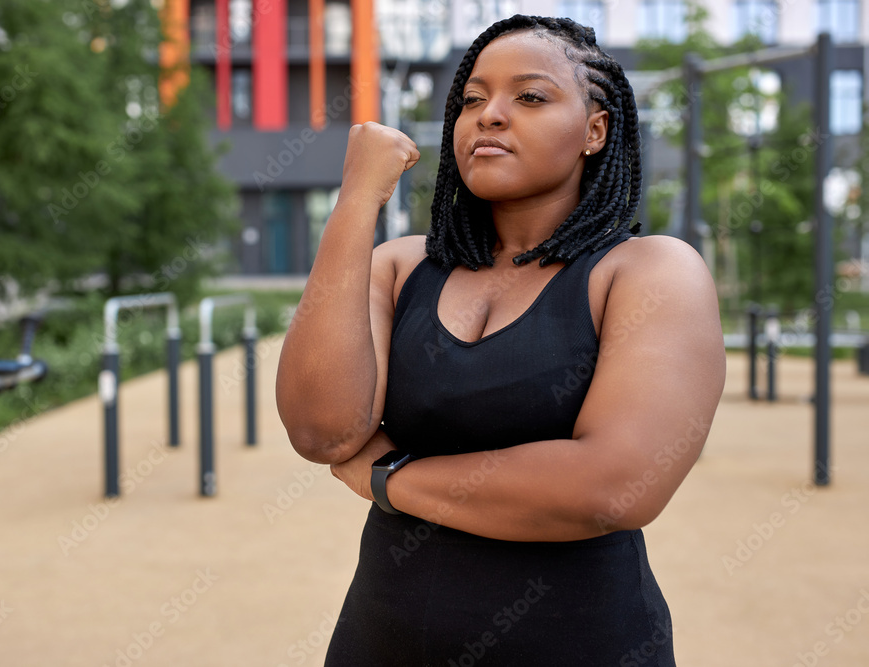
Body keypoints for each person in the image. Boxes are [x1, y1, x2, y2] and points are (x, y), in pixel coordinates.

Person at [276, 14, 725, 666]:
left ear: (595, 130)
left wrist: (389, 477)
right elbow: (321, 430)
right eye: (472, 99)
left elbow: (614, 486)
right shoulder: (401, 267)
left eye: (530, 96)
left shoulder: (649, 272)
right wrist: (357, 198)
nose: (489, 115)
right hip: (381, 642)